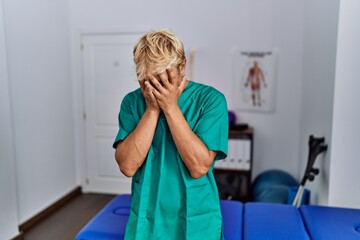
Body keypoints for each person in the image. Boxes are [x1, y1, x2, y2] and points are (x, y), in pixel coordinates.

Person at [113, 29, 228, 240]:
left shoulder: (210, 100)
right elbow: (127, 166)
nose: (154, 87)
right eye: (146, 80)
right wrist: (153, 110)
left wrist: (170, 107)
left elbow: (199, 166)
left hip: (196, 219)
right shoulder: (132, 102)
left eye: (163, 78)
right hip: (147, 218)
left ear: (182, 66)